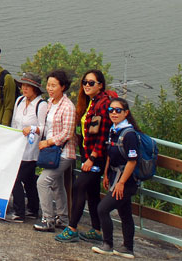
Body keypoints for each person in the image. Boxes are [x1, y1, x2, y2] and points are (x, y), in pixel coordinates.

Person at [56, 69, 115, 243]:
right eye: (85, 82)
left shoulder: (103, 104)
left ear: (101, 85)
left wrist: (92, 158)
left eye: (91, 83)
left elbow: (103, 135)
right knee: (92, 192)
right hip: (88, 154)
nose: (87, 86)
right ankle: (97, 230)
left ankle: (72, 228)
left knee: (79, 187)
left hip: (96, 157)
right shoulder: (91, 102)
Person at [91, 97, 140, 259]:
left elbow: (132, 162)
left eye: (118, 110)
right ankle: (127, 248)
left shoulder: (129, 134)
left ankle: (108, 244)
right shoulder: (114, 130)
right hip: (115, 177)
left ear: (126, 113)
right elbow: (110, 156)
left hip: (126, 181)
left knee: (102, 209)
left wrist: (121, 183)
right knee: (125, 213)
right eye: (111, 110)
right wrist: (106, 175)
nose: (114, 113)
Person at [34, 69, 76, 232]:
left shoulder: (68, 107)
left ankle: (48, 219)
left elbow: (67, 133)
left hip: (63, 152)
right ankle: (63, 218)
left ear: (63, 87)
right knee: (57, 185)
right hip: (52, 152)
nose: (50, 88)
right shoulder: (51, 102)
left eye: (54, 85)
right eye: (48, 85)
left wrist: (48, 142)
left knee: (42, 182)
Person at [9, 72, 48, 222]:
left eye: (28, 86)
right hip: (18, 147)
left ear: (35, 89)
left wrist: (32, 129)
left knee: (16, 178)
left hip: (31, 150)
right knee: (30, 180)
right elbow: (14, 123)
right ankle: (32, 208)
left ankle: (20, 211)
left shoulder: (41, 105)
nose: (24, 89)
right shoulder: (19, 101)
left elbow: (44, 127)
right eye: (23, 85)